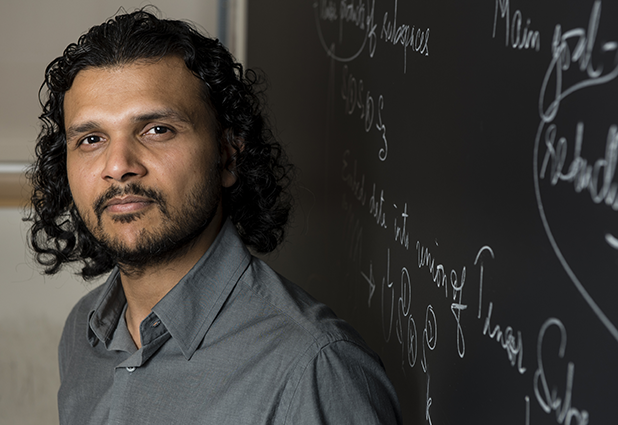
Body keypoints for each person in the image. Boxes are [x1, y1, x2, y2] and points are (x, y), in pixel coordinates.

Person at [26, 8, 402, 425]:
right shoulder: (84, 331)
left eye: (157, 130)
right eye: (92, 139)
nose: (119, 165)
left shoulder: (315, 368)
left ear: (227, 155)